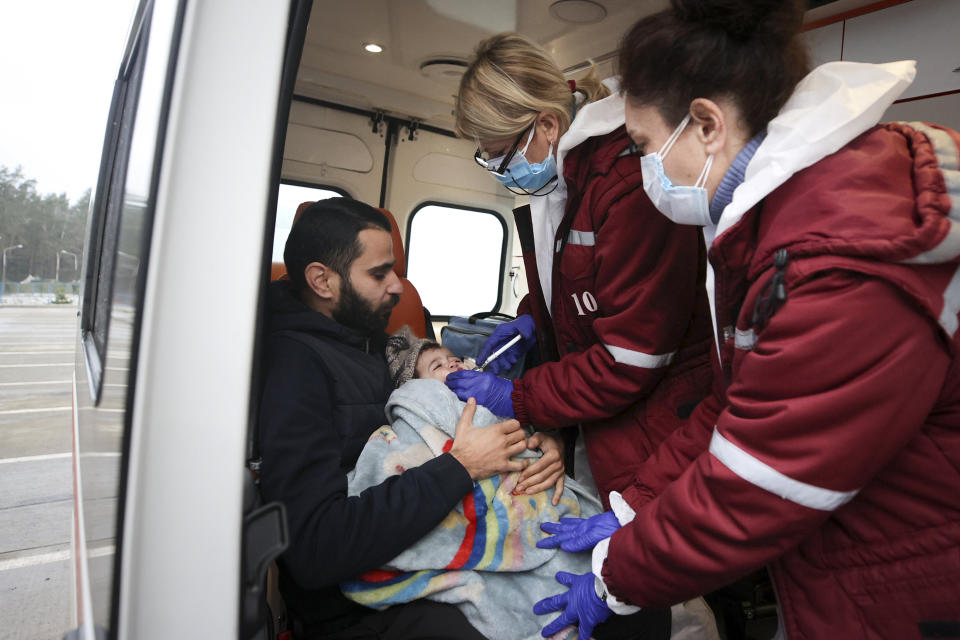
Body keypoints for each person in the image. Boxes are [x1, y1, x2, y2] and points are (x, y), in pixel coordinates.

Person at [534, 1, 960, 639]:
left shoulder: (834, 254)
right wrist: (633, 505)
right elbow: (732, 404)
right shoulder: (775, 223)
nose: (647, 170)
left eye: (645, 146)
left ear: (705, 124)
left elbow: (759, 484)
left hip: (913, 568)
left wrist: (615, 578)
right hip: (855, 549)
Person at [447, 32, 715, 510]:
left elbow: (631, 357)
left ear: (547, 125)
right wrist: (532, 319)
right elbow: (574, 284)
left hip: (658, 423)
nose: (497, 169)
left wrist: (521, 398)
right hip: (604, 416)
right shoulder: (564, 184)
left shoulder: (625, 184)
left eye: (500, 155)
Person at [257, 197, 530, 639]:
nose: (399, 286)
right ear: (322, 280)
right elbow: (316, 549)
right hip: (358, 601)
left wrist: (534, 442)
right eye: (379, 273)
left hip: (427, 537)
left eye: (396, 270)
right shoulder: (296, 369)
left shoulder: (367, 342)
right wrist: (461, 467)